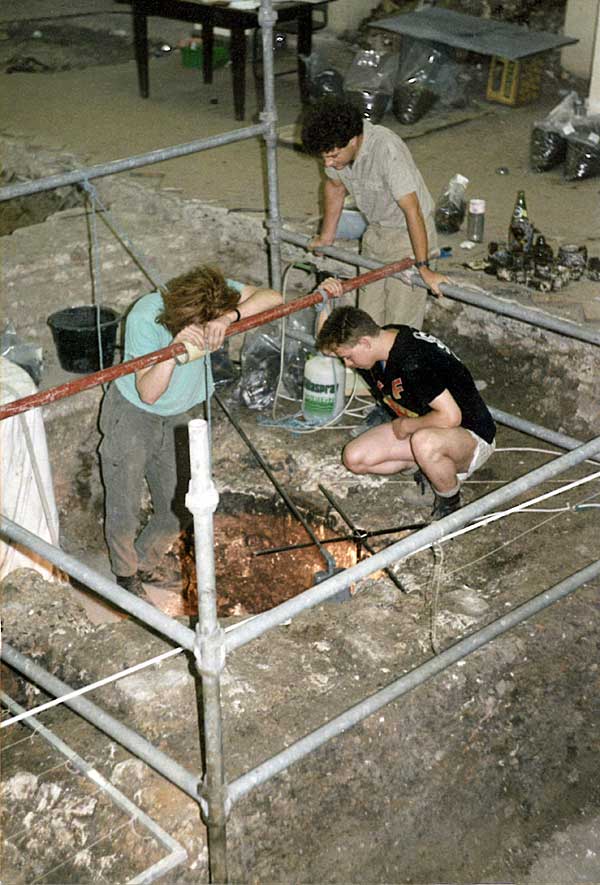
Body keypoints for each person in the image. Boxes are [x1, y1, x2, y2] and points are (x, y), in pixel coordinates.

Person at [99, 265, 283, 598]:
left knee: (181, 505)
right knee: (123, 504)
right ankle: (125, 576)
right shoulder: (144, 317)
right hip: (134, 412)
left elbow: (274, 297)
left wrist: (228, 318)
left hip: (178, 413)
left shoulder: (212, 293)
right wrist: (173, 351)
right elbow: (148, 393)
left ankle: (144, 562)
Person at [316, 306, 496, 520]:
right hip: (426, 426)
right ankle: (427, 466)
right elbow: (328, 348)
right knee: (354, 458)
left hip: (469, 435)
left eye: (347, 357)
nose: (347, 364)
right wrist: (324, 302)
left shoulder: (413, 359)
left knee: (424, 442)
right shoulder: (381, 341)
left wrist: (407, 426)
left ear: (364, 342)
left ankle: (450, 501)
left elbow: (451, 417)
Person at [301, 96, 449, 331]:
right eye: (324, 158)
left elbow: (412, 209)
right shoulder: (337, 153)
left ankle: (395, 368)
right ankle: (371, 368)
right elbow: (335, 187)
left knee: (399, 329)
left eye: (333, 156)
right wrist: (325, 238)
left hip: (408, 238)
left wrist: (423, 267)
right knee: (366, 324)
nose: (328, 163)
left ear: (353, 140)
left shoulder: (386, 148)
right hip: (376, 234)